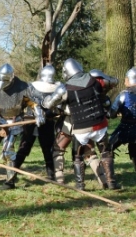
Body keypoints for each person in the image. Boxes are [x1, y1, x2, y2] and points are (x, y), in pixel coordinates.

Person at [43, 58, 120, 190]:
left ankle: (78, 184)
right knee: (104, 153)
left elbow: (48, 104)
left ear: (66, 72)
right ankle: (109, 181)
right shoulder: (94, 80)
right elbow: (114, 81)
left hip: (79, 127)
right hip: (100, 124)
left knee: (76, 155)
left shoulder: (64, 88)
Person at [0, 63, 45, 190]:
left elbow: (34, 103)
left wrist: (39, 114)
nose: (1, 83)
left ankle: (10, 181)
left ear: (11, 78)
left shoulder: (23, 87)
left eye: (5, 80)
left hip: (14, 122)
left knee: (8, 153)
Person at [14, 64, 59, 180]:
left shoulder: (55, 88)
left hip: (44, 122)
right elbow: (22, 103)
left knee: (47, 148)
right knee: (25, 147)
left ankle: (51, 174)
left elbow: (58, 108)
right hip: (30, 121)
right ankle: (13, 172)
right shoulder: (31, 87)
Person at [108, 67, 136, 170]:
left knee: (108, 148)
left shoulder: (123, 95)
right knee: (134, 147)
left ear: (129, 79)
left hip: (125, 128)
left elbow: (112, 113)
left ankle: (109, 177)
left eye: (126, 79)